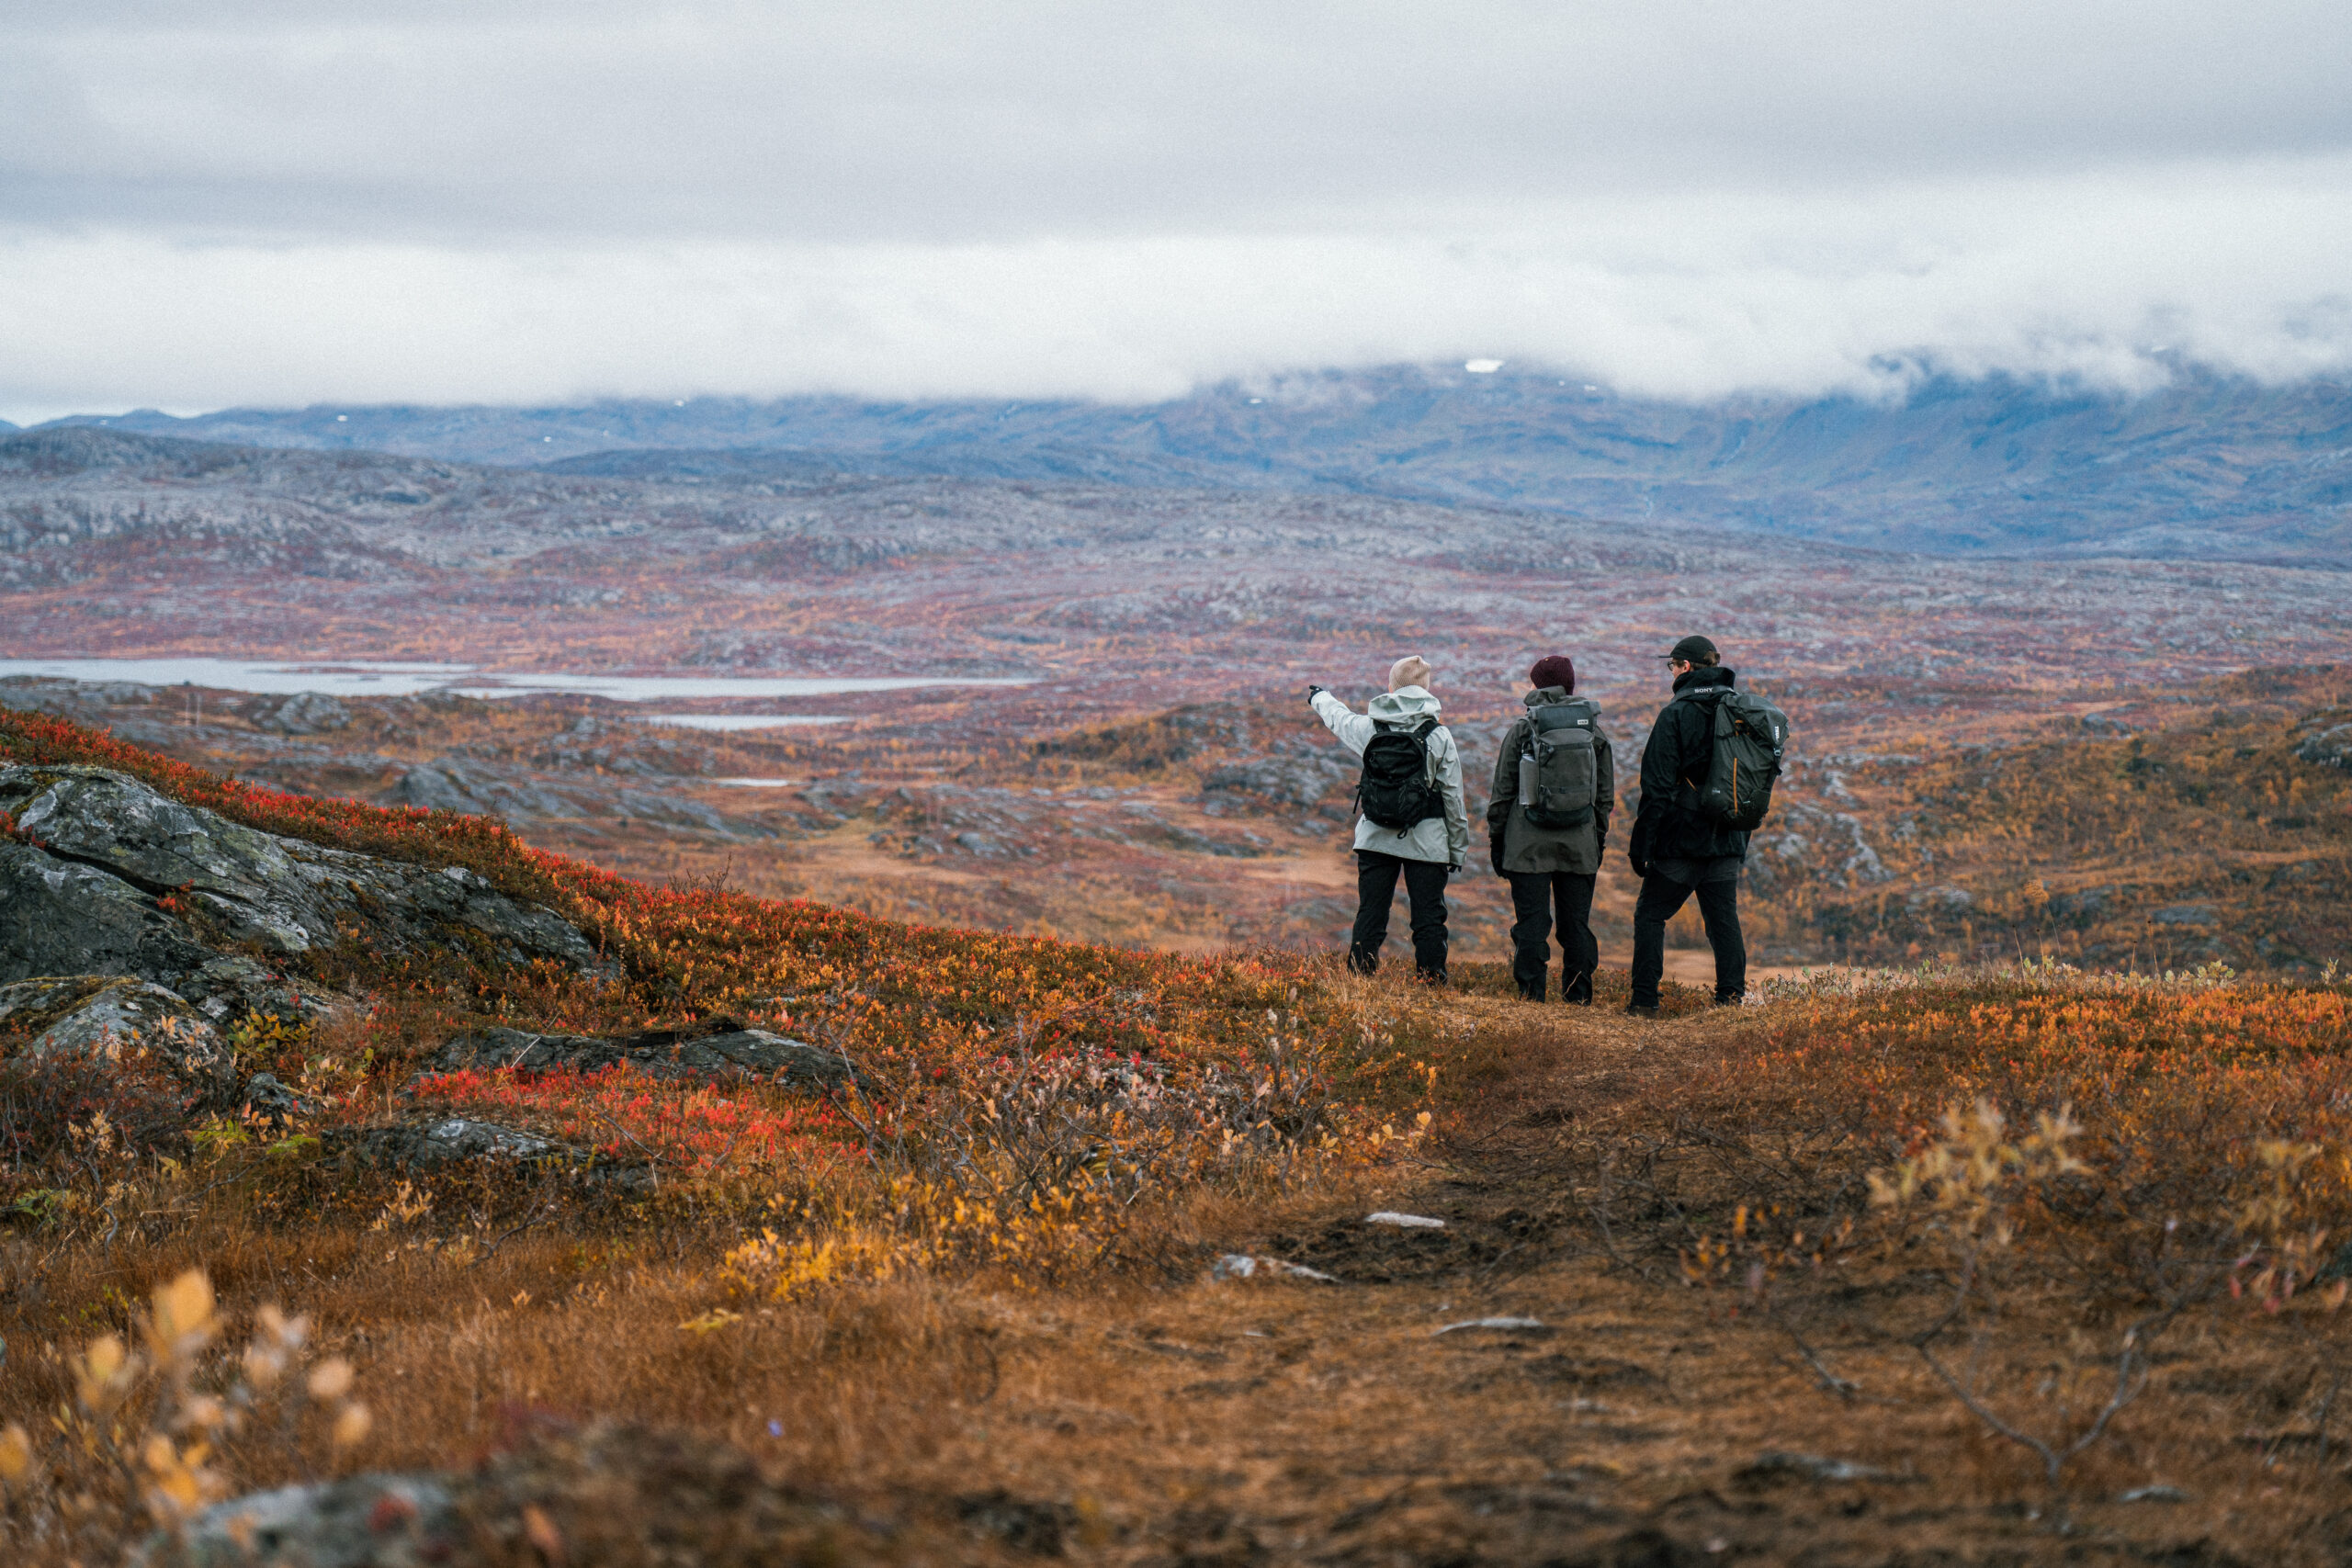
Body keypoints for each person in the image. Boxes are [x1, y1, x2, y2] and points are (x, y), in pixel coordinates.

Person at [1309, 656, 1468, 984]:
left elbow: (1339, 719)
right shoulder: (1439, 736)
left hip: (1375, 836)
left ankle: (1359, 979)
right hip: (1427, 841)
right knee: (1428, 918)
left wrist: (1320, 697)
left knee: (1371, 912)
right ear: (1425, 689)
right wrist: (1457, 850)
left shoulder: (1371, 728)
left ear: (1392, 686)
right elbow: (1453, 798)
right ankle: (1431, 982)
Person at [1626, 635, 1748, 1016]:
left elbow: (1657, 788)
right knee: (1723, 921)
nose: (1671, 672)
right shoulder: (1739, 710)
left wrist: (1642, 845)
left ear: (1688, 668)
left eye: (1673, 665)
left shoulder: (1675, 715)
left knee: (1650, 915)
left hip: (1681, 841)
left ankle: (1645, 1001)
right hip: (1727, 836)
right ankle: (1730, 1002)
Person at [1486, 655, 1613, 1003]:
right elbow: (1604, 797)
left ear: (1538, 686)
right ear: (1570, 686)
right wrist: (1596, 837)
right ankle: (1579, 998)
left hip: (1526, 847)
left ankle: (1532, 998)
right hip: (1580, 845)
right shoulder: (1593, 732)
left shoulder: (1522, 729)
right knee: (1576, 927)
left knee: (1532, 925)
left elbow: (1502, 794)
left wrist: (1498, 841)